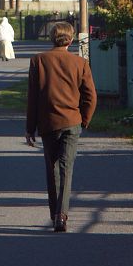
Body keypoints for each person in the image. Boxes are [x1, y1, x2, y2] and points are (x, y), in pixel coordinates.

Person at [25, 21, 96, 233]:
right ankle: (61, 215)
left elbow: (33, 99)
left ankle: (55, 211)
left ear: (51, 38)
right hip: (72, 121)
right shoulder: (80, 63)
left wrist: (30, 128)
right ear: (71, 40)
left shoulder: (38, 61)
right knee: (67, 168)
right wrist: (84, 119)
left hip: (48, 123)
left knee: (52, 169)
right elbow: (90, 96)